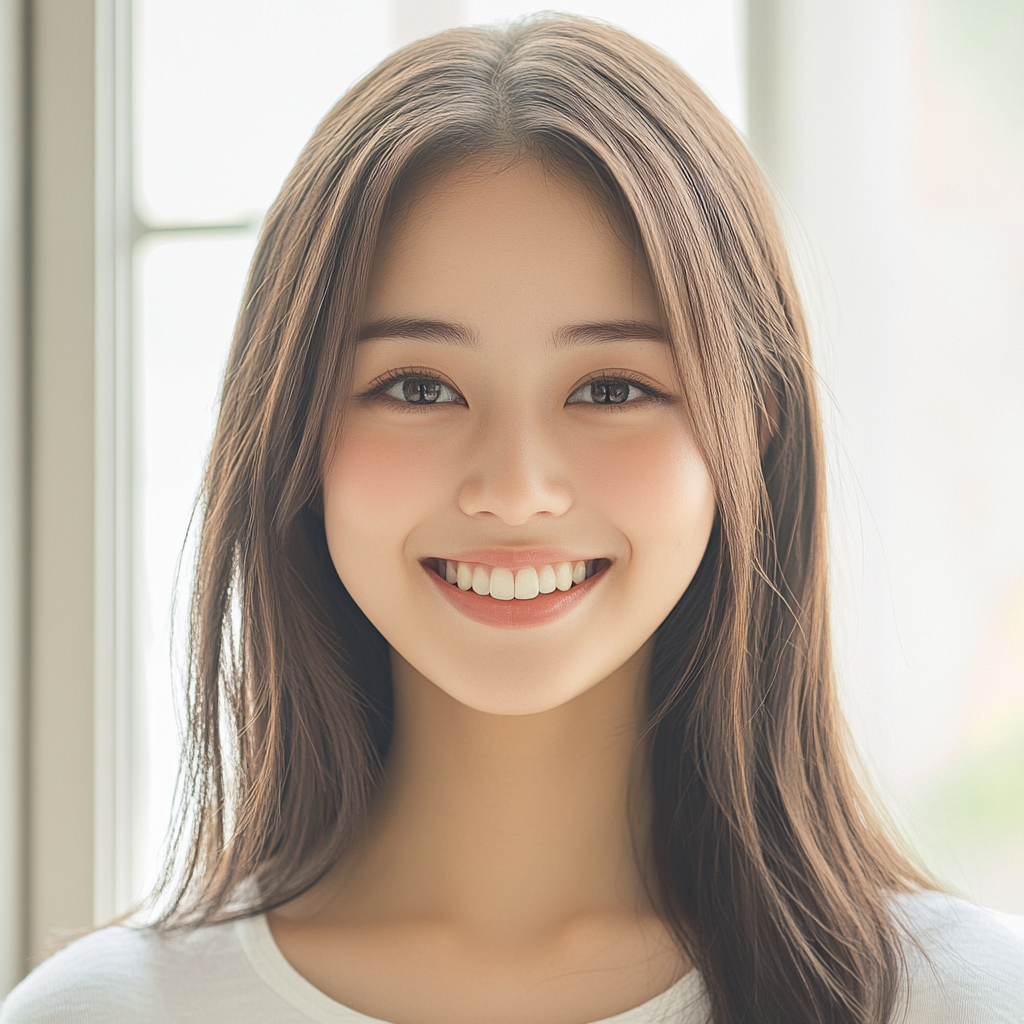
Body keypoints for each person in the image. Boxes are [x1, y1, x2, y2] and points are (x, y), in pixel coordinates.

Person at [3, 14, 1022, 1024]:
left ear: (750, 430)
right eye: (416, 386)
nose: (515, 485)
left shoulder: (959, 1001)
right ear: (297, 432)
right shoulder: (108, 1013)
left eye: (612, 389)